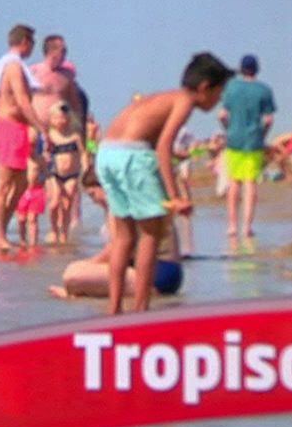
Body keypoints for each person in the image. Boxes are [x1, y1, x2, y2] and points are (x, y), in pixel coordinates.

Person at [93, 53, 232, 314]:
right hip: (133, 156)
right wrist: (175, 196)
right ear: (205, 87)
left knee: (123, 237)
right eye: (219, 93)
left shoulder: (161, 97)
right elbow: (164, 147)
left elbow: (153, 138)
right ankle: (140, 310)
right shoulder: (184, 102)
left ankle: (114, 309)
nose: (218, 100)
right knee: (151, 234)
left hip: (106, 153)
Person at [0, 24, 39, 253]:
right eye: (32, 43)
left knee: (21, 184)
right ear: (25, 42)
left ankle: (2, 232)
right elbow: (22, 101)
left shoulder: (8, 66)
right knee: (5, 184)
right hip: (11, 127)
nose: (33, 48)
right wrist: (40, 126)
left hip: (15, 128)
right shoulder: (13, 67)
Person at [216, 53, 277, 241]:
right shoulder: (264, 90)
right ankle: (247, 227)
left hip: (234, 139)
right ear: (257, 69)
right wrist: (263, 135)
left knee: (234, 182)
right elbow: (268, 120)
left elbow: (222, 115)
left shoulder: (231, 88)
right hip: (253, 141)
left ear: (241, 69)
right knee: (250, 183)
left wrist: (228, 129)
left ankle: (232, 226)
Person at [48, 218, 185, 300]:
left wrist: (87, 264)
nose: (94, 200)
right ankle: (83, 292)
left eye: (93, 194)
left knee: (72, 274)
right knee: (81, 271)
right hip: (170, 272)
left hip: (156, 275)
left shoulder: (121, 203)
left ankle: (78, 293)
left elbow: (119, 248)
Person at [43, 103, 87, 245]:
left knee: (67, 204)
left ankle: (64, 233)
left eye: (63, 118)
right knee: (54, 202)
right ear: (51, 119)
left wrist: (87, 166)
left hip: (72, 174)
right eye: (57, 118)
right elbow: (43, 153)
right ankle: (54, 229)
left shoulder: (75, 136)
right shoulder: (50, 136)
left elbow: (84, 152)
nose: (60, 121)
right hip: (54, 173)